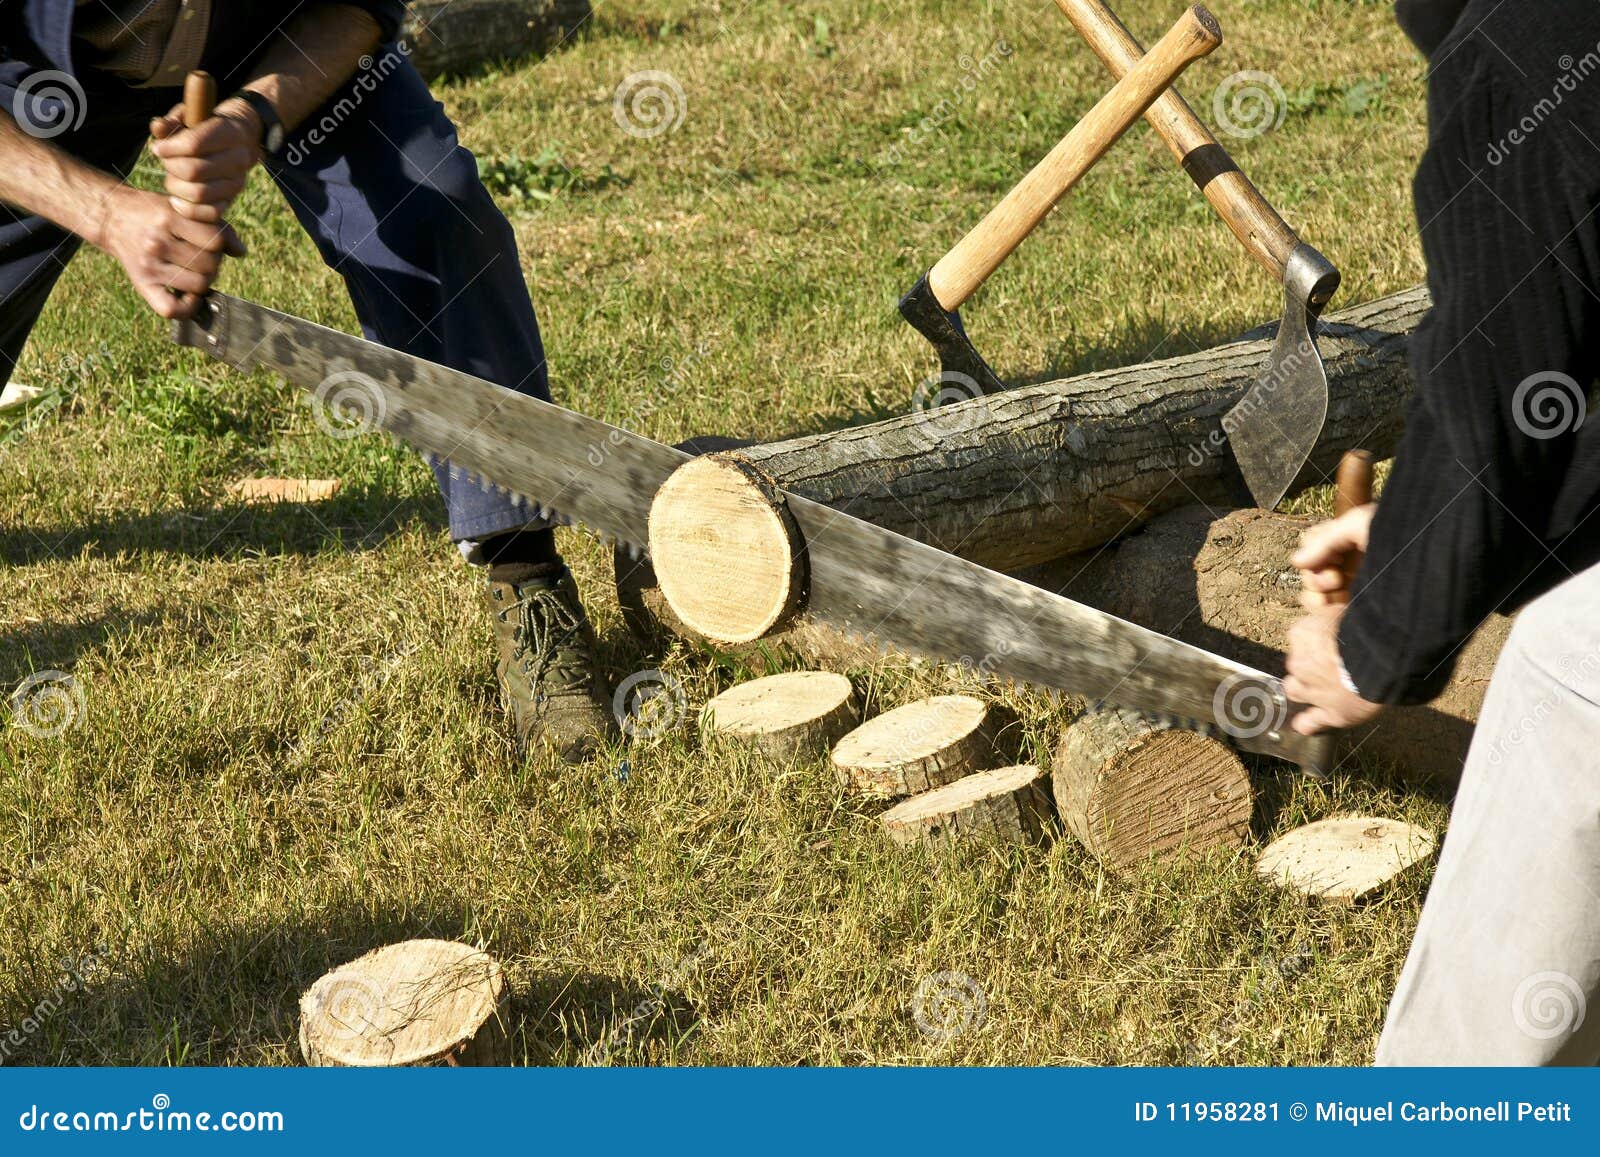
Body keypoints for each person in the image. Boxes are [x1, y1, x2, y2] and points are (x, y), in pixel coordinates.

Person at [0, 1, 617, 759]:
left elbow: (359, 8)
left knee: (433, 202)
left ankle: (526, 577)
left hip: (271, 33)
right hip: (41, 73)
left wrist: (253, 117)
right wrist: (105, 211)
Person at [1285, 0, 1600, 1064]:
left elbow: (1498, 397)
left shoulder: (1527, 48)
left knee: (1570, 676)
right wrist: (1423, 532)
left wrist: (1371, 641)